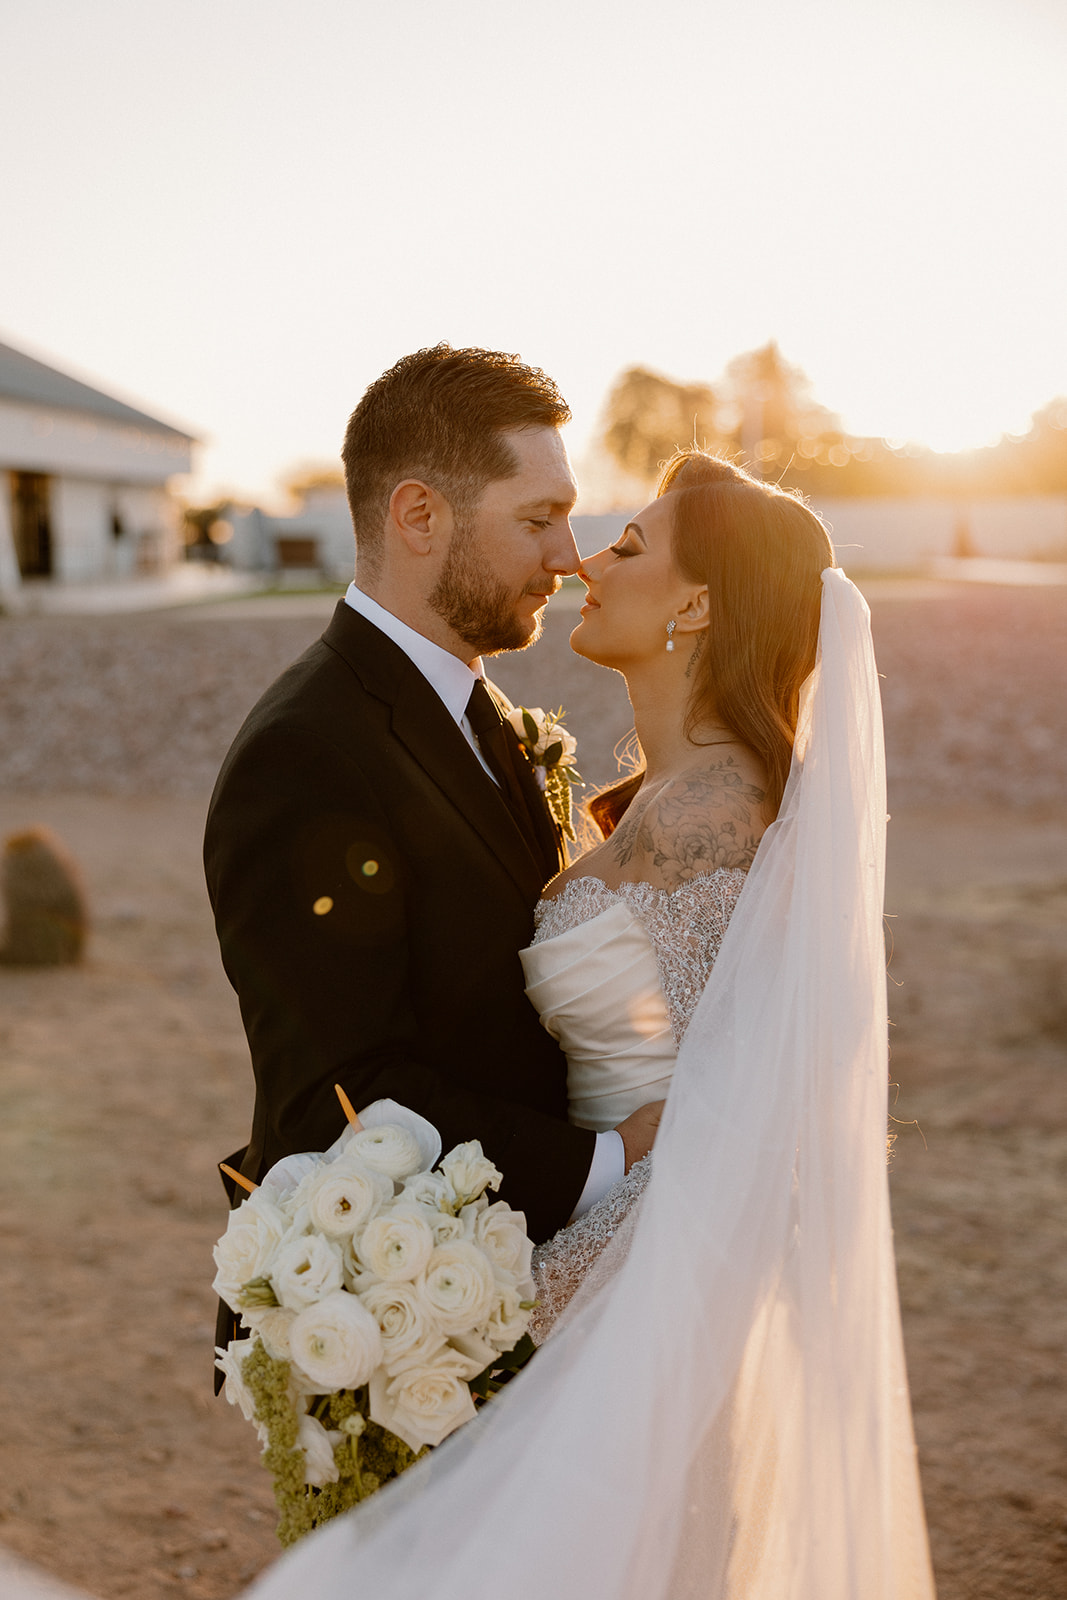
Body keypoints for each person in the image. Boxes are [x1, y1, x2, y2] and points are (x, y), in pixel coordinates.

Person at [241, 451, 936, 1599]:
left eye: (624, 547)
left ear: (698, 603)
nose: (582, 561)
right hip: (586, 1240)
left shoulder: (716, 817)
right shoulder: (655, 802)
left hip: (635, 1286)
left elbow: (749, 1123)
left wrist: (527, 1302)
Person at [204, 345, 662, 1375]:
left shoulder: (484, 711)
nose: (568, 554)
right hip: (398, 1320)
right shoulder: (306, 752)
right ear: (419, 515)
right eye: (537, 518)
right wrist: (608, 1158)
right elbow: (342, 1086)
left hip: (523, 1288)